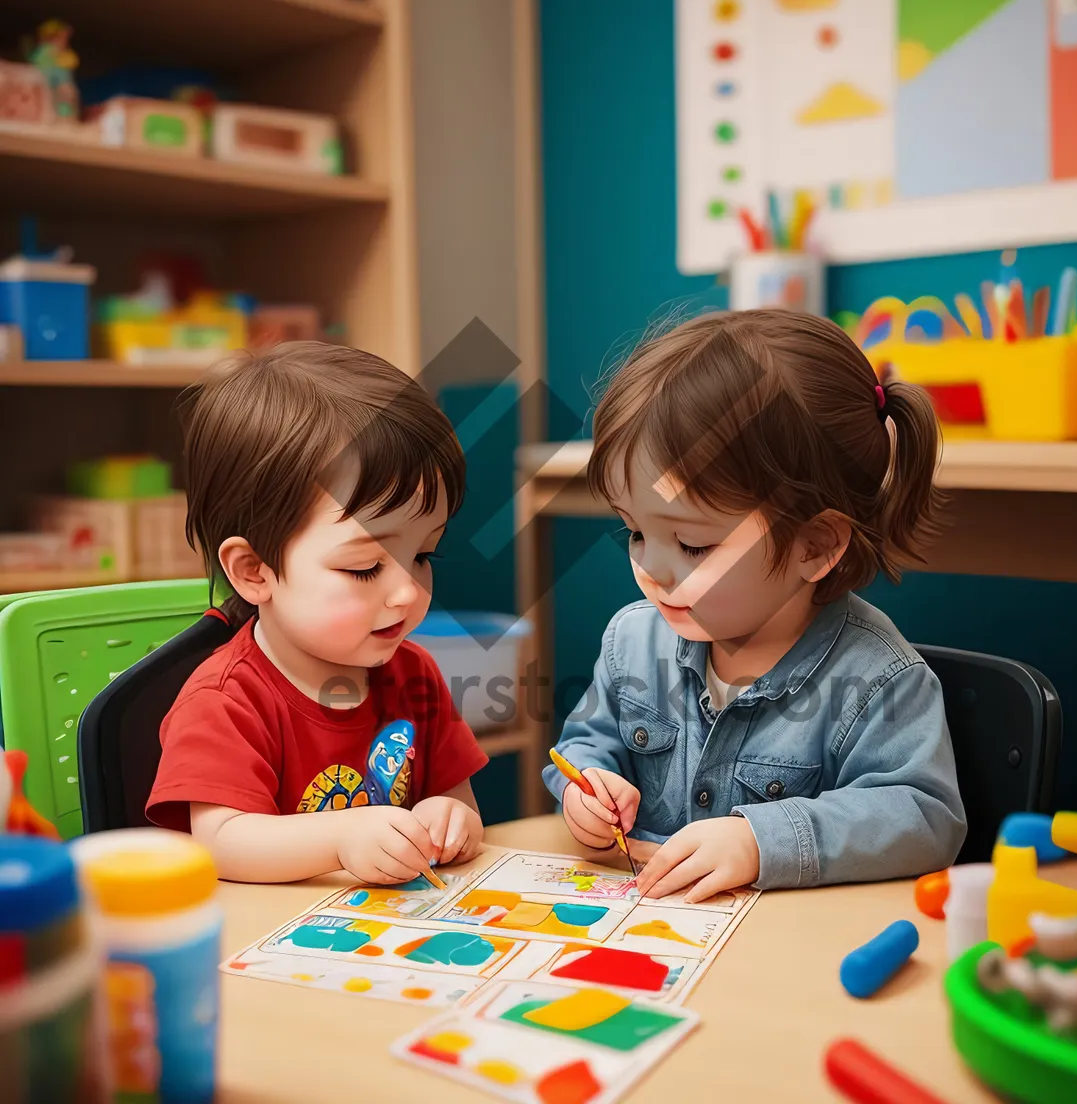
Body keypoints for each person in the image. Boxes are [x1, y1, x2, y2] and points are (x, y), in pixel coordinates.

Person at [544, 310, 966, 902]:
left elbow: (925, 818)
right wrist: (587, 786)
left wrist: (760, 841)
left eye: (692, 544)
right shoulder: (633, 641)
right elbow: (587, 742)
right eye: (635, 532)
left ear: (814, 547)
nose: (650, 568)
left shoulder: (879, 681)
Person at [147, 342, 488, 884]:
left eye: (422, 555)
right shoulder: (225, 701)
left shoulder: (413, 672)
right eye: (364, 568)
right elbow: (221, 842)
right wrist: (343, 837)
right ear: (254, 571)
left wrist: (449, 820)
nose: (406, 592)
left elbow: (458, 801)